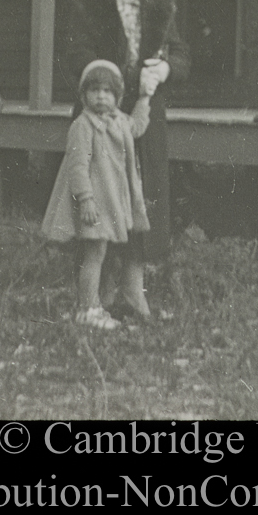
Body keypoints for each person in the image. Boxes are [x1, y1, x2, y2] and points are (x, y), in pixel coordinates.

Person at [59, 0, 189, 314]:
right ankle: (94, 295)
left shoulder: (160, 5)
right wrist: (110, 85)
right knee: (99, 199)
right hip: (101, 117)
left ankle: (134, 291)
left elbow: (183, 55)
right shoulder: (89, 0)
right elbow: (76, 54)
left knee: (140, 200)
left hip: (145, 119)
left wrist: (165, 68)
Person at [41, 59, 154, 330]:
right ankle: (88, 308)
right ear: (84, 95)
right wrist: (86, 199)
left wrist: (146, 97)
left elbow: (137, 127)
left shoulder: (119, 121)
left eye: (108, 91)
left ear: (117, 96)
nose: (101, 96)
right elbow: (77, 166)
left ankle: (95, 302)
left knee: (102, 253)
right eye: (94, 90)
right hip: (94, 204)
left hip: (112, 203)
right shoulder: (83, 126)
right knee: (94, 254)